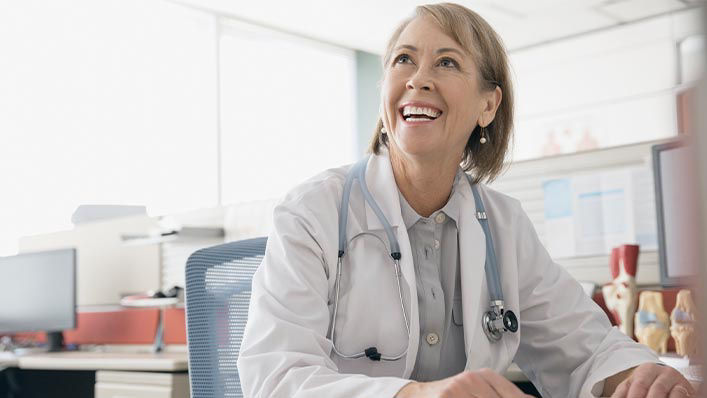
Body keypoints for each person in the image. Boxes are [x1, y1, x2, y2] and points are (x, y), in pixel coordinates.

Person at [237, 3, 694, 397]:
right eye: (403, 60)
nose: (418, 80)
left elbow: (586, 345)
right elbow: (273, 378)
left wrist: (640, 375)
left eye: (447, 63)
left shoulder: (502, 225)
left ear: (488, 106)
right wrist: (417, 394)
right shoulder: (313, 212)